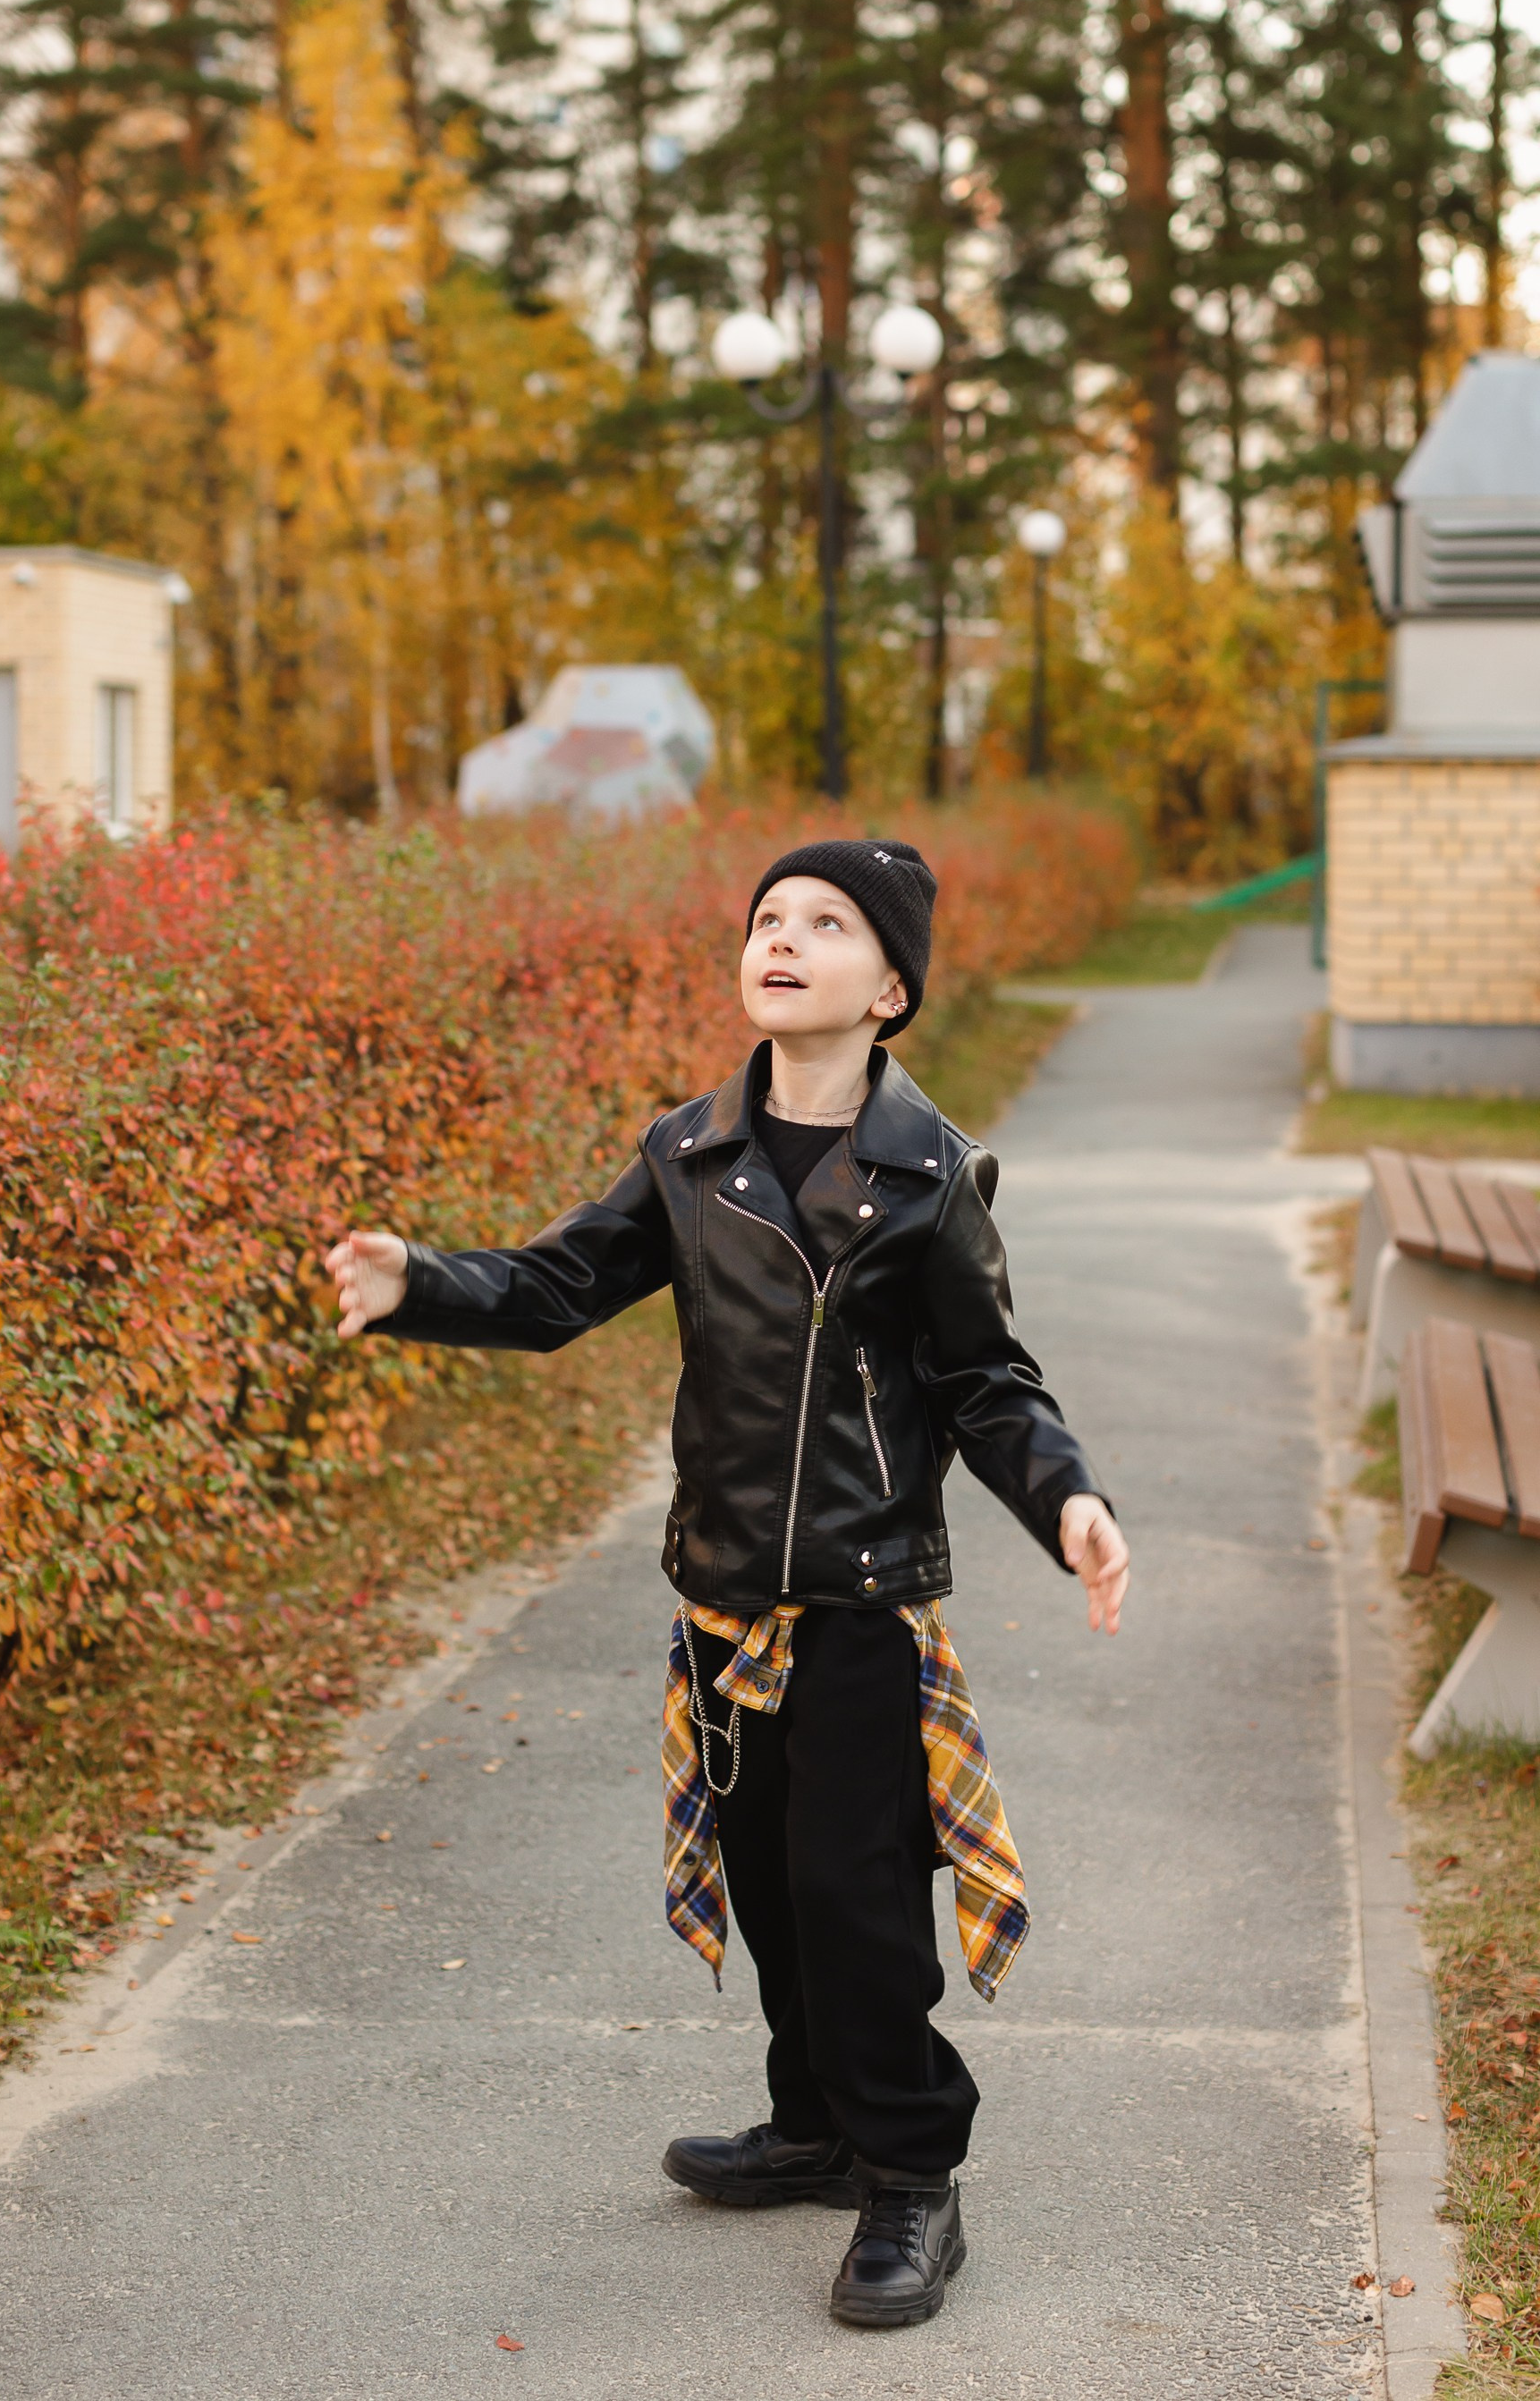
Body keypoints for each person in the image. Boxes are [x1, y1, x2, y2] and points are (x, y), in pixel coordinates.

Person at [326, 834, 1127, 2330]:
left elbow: (986, 1380)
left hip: (861, 1598)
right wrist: (421, 1284)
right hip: (721, 1599)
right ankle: (815, 2123)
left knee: (857, 1892)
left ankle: (908, 2175)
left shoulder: (929, 1179)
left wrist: (1066, 1496)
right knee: (766, 1876)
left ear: (890, 988)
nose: (786, 938)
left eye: (828, 924)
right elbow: (562, 1286)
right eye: (769, 917)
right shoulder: (689, 1156)